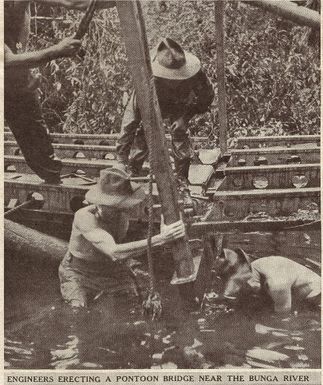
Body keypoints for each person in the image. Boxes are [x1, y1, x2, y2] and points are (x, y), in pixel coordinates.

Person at [4, 0, 115, 184]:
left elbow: (75, 2)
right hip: (7, 65)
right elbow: (6, 60)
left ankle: (51, 175)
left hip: (14, 75)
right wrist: (57, 51)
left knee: (37, 145)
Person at [59, 167, 186, 309]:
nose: (117, 211)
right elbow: (114, 252)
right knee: (78, 309)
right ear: (99, 203)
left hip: (109, 269)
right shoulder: (84, 217)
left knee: (133, 300)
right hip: (79, 272)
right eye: (112, 207)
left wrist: (165, 223)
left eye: (121, 206)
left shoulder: (122, 215)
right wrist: (161, 239)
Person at [116, 37, 214, 197]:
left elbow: (207, 97)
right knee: (143, 133)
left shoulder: (195, 75)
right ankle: (133, 171)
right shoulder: (146, 81)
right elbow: (130, 121)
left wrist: (186, 117)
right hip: (152, 107)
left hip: (180, 107)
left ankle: (182, 180)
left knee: (180, 135)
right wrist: (121, 159)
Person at [216, 248, 321, 314]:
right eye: (238, 285)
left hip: (316, 299)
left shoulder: (276, 283)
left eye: (244, 281)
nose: (249, 285)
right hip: (293, 297)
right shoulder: (256, 267)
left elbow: (283, 319)